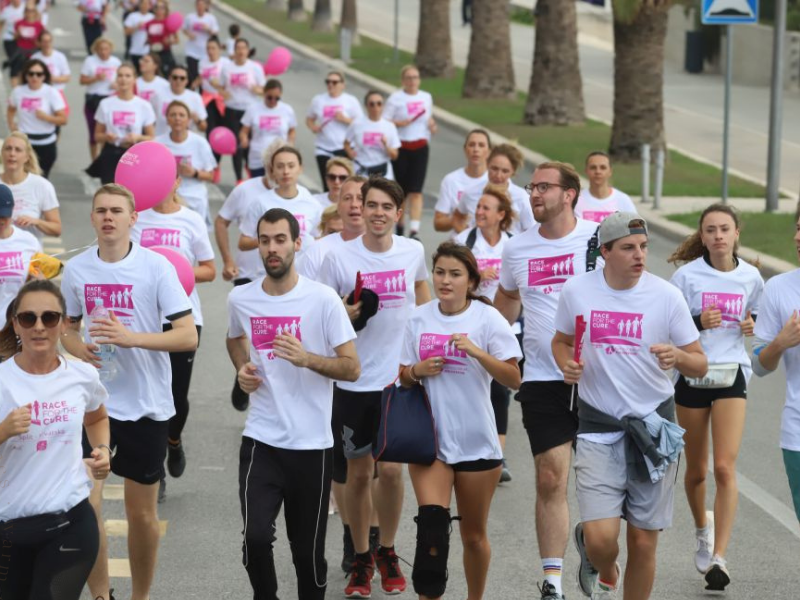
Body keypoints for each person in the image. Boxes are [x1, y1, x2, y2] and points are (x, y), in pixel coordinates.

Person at [552, 212, 707, 600]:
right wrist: (565, 363)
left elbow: (699, 361)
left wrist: (678, 356)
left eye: (643, 247)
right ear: (605, 251)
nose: (639, 256)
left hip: (654, 432)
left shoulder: (666, 295)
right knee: (603, 539)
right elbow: (560, 340)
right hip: (598, 427)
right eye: (627, 248)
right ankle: (601, 562)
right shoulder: (578, 291)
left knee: (642, 542)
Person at [60, 183, 197, 600]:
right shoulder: (78, 269)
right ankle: (102, 596)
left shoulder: (156, 268)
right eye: (101, 210)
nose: (107, 217)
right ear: (93, 217)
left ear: (133, 218)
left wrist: (131, 338)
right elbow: (67, 326)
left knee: (141, 515)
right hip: (95, 405)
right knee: (87, 505)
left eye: (116, 210)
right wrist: (77, 347)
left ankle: (140, 596)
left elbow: (187, 336)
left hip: (147, 406)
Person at [226, 208, 360, 599]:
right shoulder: (242, 298)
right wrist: (242, 368)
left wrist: (307, 359)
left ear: (297, 244)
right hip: (262, 440)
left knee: (306, 556)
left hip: (311, 447)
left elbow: (352, 368)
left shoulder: (323, 301)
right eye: (264, 240)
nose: (272, 248)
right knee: (254, 538)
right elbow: (234, 338)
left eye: (280, 240)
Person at [493, 161, 601, 600]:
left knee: (601, 484)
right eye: (530, 186)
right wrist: (496, 350)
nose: (533, 193)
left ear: (570, 193)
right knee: (550, 478)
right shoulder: (517, 249)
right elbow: (506, 302)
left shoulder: (596, 239)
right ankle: (552, 580)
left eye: (543, 186)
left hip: (600, 379)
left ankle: (594, 546)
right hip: (541, 376)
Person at [319, 176, 431, 597]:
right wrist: (345, 314)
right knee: (359, 473)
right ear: (361, 209)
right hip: (353, 381)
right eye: (372, 205)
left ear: (398, 214)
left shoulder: (412, 250)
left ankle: (387, 548)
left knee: (392, 470)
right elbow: (324, 312)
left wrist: (424, 327)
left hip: (396, 379)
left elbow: (421, 287)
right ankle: (362, 557)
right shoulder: (339, 256)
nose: (378, 213)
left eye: (387, 207)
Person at [399, 241, 521, 600]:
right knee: (432, 529)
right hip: (429, 442)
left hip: (476, 442)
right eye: (439, 272)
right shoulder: (418, 318)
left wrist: (477, 352)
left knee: (473, 535)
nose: (445, 280)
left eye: (455, 274)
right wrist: (417, 371)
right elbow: (402, 375)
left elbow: (513, 378)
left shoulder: (487, 319)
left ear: (471, 281)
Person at [667, 203, 764, 592]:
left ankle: (720, 557)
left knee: (724, 467)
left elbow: (759, 320)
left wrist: (752, 324)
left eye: (725, 229)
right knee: (696, 471)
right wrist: (695, 321)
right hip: (693, 373)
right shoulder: (685, 277)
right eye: (711, 230)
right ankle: (702, 529)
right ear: (702, 236)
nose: (718, 236)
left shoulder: (753, 277)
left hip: (732, 374)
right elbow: (668, 327)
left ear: (737, 233)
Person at [0, 279, 111, 600]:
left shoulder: (82, 376)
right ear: (15, 324)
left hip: (70, 523)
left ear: (63, 324)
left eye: (49, 318)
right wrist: (4, 430)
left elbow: (97, 416)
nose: (39, 327)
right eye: (28, 318)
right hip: (8, 530)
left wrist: (102, 448)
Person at [132, 178, 216, 500]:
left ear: (177, 181)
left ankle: (174, 441)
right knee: (151, 393)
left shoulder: (191, 219)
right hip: (146, 318)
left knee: (176, 396)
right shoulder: (137, 216)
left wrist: (174, 271)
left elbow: (209, 269)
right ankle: (157, 470)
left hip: (184, 317)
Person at [455, 184, 517, 482]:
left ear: (501, 215)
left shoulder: (513, 244)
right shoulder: (463, 241)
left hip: (505, 325)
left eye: (486, 208)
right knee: (471, 384)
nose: (479, 212)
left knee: (500, 390)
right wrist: (477, 276)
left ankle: (498, 454)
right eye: (477, 207)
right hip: (470, 325)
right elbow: (447, 281)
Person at [751, 207, 800, 523]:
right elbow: (759, 364)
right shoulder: (779, 288)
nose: (797, 237)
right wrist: (780, 342)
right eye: (797, 228)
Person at [238, 146, 322, 264]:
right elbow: (243, 243)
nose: (286, 171)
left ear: (300, 168)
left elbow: (319, 238)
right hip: (271, 272)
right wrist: (269, 239)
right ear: (272, 171)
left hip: (304, 273)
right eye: (280, 166)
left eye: (291, 166)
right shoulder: (260, 202)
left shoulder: (312, 203)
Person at [384, 65, 436, 239]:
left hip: (420, 146)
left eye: (415, 77)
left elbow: (428, 118)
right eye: (409, 77)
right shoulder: (395, 99)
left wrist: (432, 125)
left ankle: (414, 230)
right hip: (402, 147)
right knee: (401, 191)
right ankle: (400, 225)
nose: (412, 81)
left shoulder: (426, 97)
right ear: (403, 80)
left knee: (416, 190)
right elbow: (385, 122)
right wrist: (400, 124)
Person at [89, 62, 156, 183]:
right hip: (111, 151)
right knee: (110, 194)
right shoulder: (106, 103)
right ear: (116, 79)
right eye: (120, 75)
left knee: (130, 192)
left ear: (134, 79)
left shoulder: (144, 106)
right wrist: (107, 136)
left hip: (132, 153)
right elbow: (97, 136)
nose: (123, 79)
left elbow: (151, 137)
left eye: (127, 76)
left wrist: (138, 137)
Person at [155, 99, 217, 226]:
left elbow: (212, 176)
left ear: (189, 120)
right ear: (167, 119)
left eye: (181, 115)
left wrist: (194, 173)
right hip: (166, 201)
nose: (177, 118)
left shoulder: (200, 143)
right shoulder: (157, 143)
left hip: (194, 200)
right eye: (173, 115)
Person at [454, 143, 534, 236]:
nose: (498, 175)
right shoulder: (471, 192)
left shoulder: (522, 198)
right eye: (494, 168)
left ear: (513, 172)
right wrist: (466, 238)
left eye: (505, 171)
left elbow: (531, 232)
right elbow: (457, 217)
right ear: (487, 165)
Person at [6, 58, 66, 178]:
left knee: (41, 179)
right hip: (24, 142)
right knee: (23, 178)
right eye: (31, 73)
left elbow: (63, 119)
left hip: (46, 143)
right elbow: (11, 109)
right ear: (26, 75)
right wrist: (11, 125)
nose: (35, 77)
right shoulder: (18, 91)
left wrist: (47, 117)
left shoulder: (51, 92)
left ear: (44, 76)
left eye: (39, 74)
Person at [306, 70, 363, 191]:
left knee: (345, 186)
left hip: (344, 149)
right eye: (328, 82)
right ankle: (329, 209)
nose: (330, 84)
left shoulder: (350, 101)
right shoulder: (318, 100)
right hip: (323, 148)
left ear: (343, 84)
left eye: (334, 82)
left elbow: (361, 124)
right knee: (328, 186)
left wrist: (345, 119)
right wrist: (313, 127)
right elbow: (309, 119)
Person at [0, 132, 61, 240]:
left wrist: (36, 222)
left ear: (27, 157)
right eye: (8, 148)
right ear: (2, 153)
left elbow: (57, 229)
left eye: (18, 150)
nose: (12, 153)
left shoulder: (42, 186)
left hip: (28, 254)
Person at [220, 37, 265, 182]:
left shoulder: (255, 67)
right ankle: (239, 178)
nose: (240, 51)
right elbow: (221, 87)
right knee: (236, 146)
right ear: (234, 51)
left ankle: (250, 171)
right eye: (238, 48)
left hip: (250, 110)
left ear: (248, 50)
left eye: (243, 48)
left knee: (248, 145)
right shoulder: (227, 67)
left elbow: (263, 90)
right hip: (232, 109)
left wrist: (255, 89)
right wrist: (222, 92)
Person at [435, 129, 491, 237]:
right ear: (465, 149)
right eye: (471, 145)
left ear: (489, 151)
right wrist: (455, 219)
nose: (476, 149)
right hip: (459, 246)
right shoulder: (451, 180)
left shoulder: (495, 182)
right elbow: (438, 223)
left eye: (481, 145)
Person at [0, 185, 41, 329]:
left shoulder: (28, 241)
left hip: (16, 328)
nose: (1, 221)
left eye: (4, 215)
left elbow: (38, 278)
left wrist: (37, 280)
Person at [239, 78, 297, 178]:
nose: (273, 101)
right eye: (269, 97)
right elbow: (244, 131)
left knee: (276, 190)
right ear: (264, 93)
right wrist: (244, 139)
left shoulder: (287, 110)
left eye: (277, 98)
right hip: (258, 157)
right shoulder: (253, 109)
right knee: (258, 189)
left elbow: (292, 130)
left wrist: (291, 142)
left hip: (279, 158)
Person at [79, 37, 120, 160]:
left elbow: (122, 80)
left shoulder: (116, 62)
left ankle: (103, 160)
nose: (103, 52)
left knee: (107, 133)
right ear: (95, 50)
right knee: (93, 133)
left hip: (110, 99)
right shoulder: (90, 61)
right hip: (93, 99)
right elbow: (82, 80)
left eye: (106, 49)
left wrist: (116, 85)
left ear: (111, 49)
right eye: (100, 49)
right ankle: (94, 160)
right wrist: (95, 78)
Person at [344, 90, 400, 179]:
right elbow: (346, 143)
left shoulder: (389, 126)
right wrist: (350, 152)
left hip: (383, 171)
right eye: (372, 104)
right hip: (361, 170)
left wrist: (385, 145)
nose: (375, 107)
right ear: (366, 106)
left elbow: (394, 156)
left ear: (383, 106)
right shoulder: (357, 124)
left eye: (379, 103)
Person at [574, 152, 636, 224]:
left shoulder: (623, 200)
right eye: (593, 167)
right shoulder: (576, 200)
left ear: (610, 171)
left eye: (603, 167)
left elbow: (637, 230)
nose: (598, 171)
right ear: (586, 171)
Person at [197, 35, 229, 172]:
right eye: (208, 48)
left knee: (221, 133)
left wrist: (219, 87)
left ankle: (217, 163)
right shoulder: (202, 62)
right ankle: (212, 164)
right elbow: (200, 80)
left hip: (222, 100)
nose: (211, 51)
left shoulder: (225, 63)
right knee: (211, 132)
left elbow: (229, 85)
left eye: (213, 48)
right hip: (207, 100)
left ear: (219, 49)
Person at [153, 64, 208, 136]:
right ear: (169, 78)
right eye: (175, 77)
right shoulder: (158, 96)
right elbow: (151, 121)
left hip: (185, 142)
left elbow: (204, 127)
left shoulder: (195, 97)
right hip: (162, 140)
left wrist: (197, 120)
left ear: (187, 81)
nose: (178, 81)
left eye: (182, 78)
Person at [31, 30, 71, 110]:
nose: (47, 44)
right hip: (40, 93)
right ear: (39, 43)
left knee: (61, 116)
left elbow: (67, 77)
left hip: (57, 91)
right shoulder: (35, 58)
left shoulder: (60, 57)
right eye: (44, 41)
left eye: (49, 41)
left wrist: (53, 78)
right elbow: (29, 77)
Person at [182, 0, 218, 86]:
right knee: (192, 74)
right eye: (198, 5)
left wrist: (207, 29)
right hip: (191, 51)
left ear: (206, 6)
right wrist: (189, 34)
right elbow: (184, 28)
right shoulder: (190, 17)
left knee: (202, 76)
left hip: (205, 53)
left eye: (202, 5)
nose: (200, 7)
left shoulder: (210, 18)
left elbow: (215, 33)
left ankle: (202, 92)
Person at [145, 1, 177, 76]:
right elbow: (148, 38)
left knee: (166, 74)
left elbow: (176, 40)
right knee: (152, 73)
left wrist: (169, 41)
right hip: (153, 52)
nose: (159, 10)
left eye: (162, 8)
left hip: (165, 52)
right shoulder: (149, 23)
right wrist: (148, 42)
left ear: (165, 10)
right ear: (154, 9)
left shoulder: (168, 22)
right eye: (157, 8)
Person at [12, 6, 45, 76]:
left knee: (32, 70)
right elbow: (14, 38)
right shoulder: (19, 23)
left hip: (33, 50)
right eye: (27, 11)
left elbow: (42, 43)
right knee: (17, 70)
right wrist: (18, 33)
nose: (29, 13)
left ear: (35, 13)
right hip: (21, 49)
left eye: (31, 11)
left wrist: (34, 40)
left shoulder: (39, 25)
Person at [123, 0, 153, 72]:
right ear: (139, 5)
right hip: (135, 50)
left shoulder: (152, 17)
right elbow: (126, 32)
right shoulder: (133, 16)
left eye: (147, 4)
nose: (145, 6)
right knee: (135, 71)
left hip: (148, 51)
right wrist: (137, 27)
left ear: (150, 6)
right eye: (143, 3)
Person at [0, 0, 25, 84]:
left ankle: (21, 80)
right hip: (9, 38)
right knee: (15, 60)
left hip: (23, 39)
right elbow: (1, 24)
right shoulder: (7, 10)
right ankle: (14, 83)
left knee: (22, 61)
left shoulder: (25, 8)